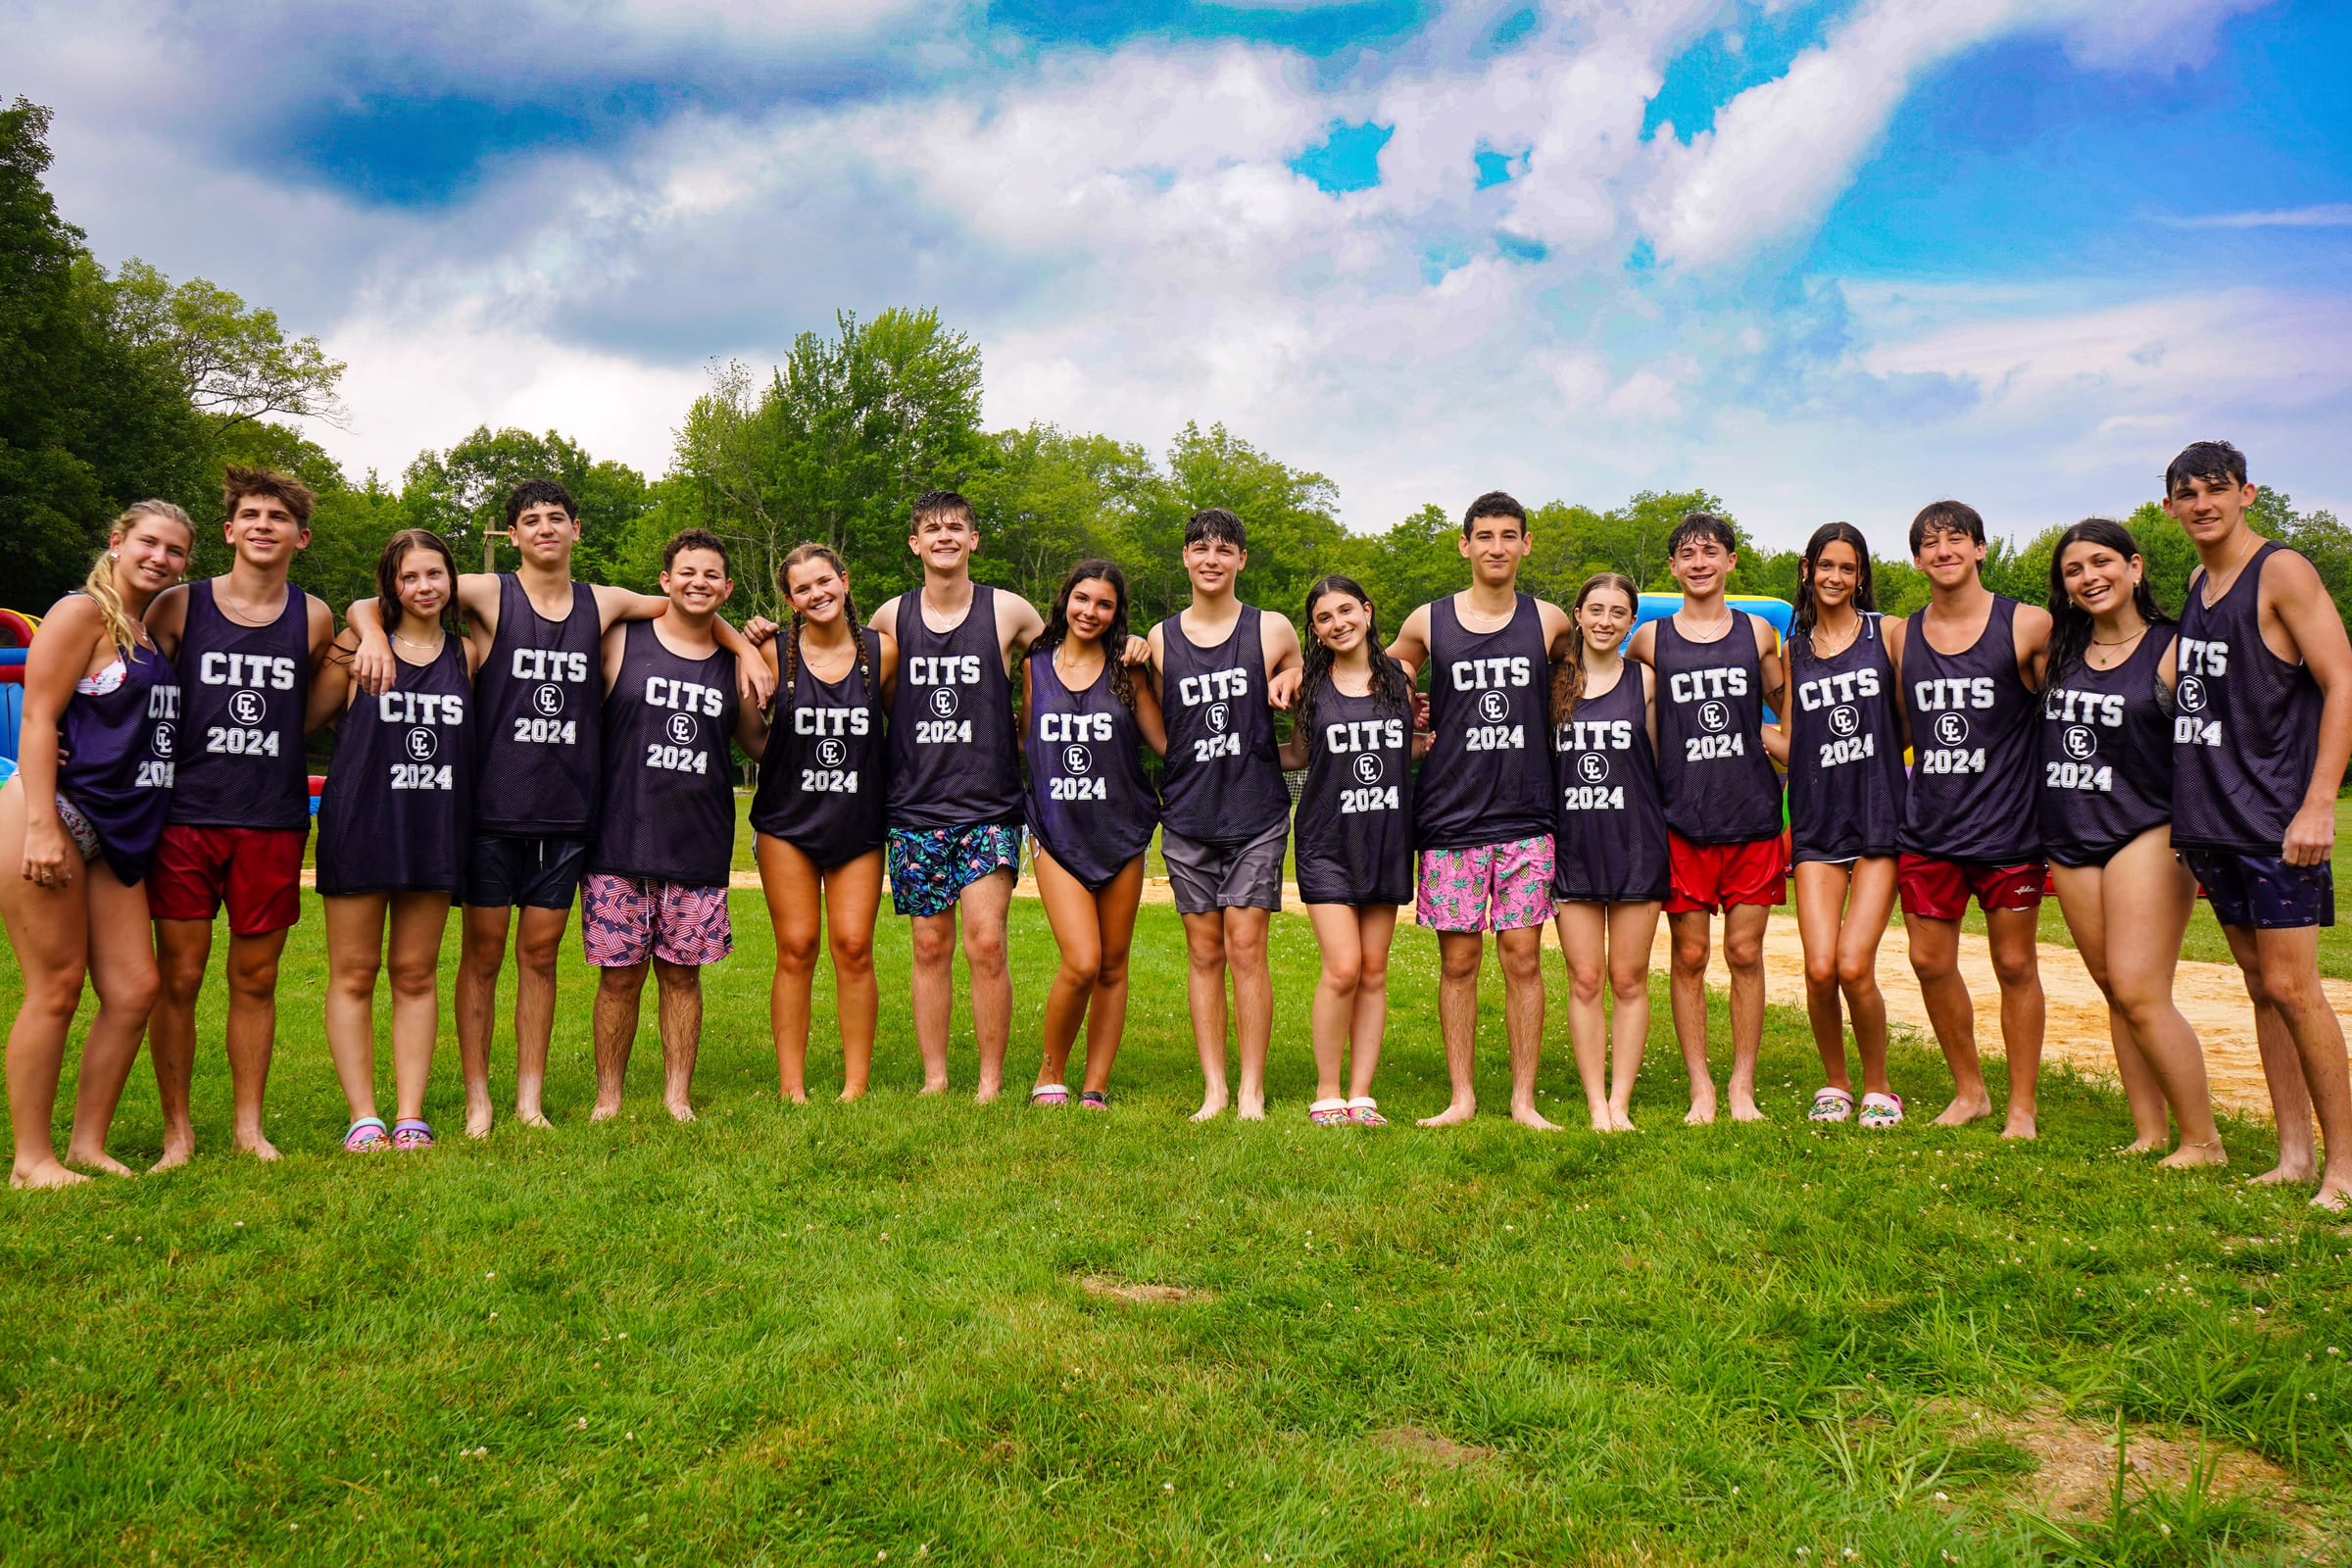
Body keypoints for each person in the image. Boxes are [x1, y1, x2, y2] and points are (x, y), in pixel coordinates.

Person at [347, 479, 770, 1135]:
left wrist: (744, 647)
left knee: (539, 958)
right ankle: (480, 1099)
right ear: (512, 535)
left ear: (577, 530)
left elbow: (690, 604)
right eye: (531, 520)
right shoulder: (490, 593)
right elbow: (399, 591)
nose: (545, 527)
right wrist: (370, 633)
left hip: (569, 815)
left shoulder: (603, 603)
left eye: (557, 518)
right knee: (483, 957)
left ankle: (529, 1099)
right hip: (492, 811)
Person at [2166, 441, 2352, 1208]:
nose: (2203, 503)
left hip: (2277, 816)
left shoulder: (2282, 570)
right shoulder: (2196, 581)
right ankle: (2293, 1155)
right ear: (2170, 505)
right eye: (2187, 493)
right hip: (2214, 813)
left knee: (2294, 987)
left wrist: (2318, 804)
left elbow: (2341, 682)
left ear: (2248, 493)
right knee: (2259, 987)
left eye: (2217, 489)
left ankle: (2344, 1167)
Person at [143, 468, 338, 1165]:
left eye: (277, 518)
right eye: (250, 514)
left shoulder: (314, 617)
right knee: (181, 976)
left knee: (255, 978)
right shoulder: (176, 607)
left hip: (272, 819)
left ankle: (250, 1127)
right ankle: (178, 1131)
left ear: (300, 537)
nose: (262, 525)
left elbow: (312, 714)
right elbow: (129, 687)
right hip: (184, 819)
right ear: (228, 530)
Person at [1, 502, 190, 1187]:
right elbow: (40, 715)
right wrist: (46, 826)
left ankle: (86, 1144)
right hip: (52, 813)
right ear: (117, 542)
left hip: (119, 831)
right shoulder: (79, 613)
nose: (160, 558)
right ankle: (32, 1159)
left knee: (135, 989)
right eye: (148, 543)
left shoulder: (148, 630)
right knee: (55, 988)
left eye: (175, 551)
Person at [2038, 516, 2224, 1166]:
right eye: (2074, 571)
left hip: (2147, 829)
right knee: (2114, 987)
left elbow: (2218, 592)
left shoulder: (2174, 647)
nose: (2090, 577)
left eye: (2101, 562)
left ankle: (2204, 1141)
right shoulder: (2060, 651)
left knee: (2142, 988)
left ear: (2135, 567)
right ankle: (2149, 1133)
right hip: (2070, 831)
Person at [1388, 491, 1575, 1129]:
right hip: (1451, 819)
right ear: (1465, 545)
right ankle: (1462, 1097)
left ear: (1526, 545)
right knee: (1459, 962)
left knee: (1523, 958)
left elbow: (1580, 683)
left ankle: (1523, 1100)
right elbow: (1382, 677)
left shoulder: (1549, 622)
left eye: (1509, 535)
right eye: (1484, 535)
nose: (1496, 546)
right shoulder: (1428, 621)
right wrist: (1407, 716)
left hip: (1527, 813)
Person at [868, 490, 1047, 1102]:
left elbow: (1072, 660)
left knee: (988, 941)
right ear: (915, 544)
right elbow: (845, 674)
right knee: (928, 943)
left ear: (974, 541)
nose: (944, 536)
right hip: (916, 804)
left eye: (957, 528)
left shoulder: (1010, 612)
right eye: (932, 528)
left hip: (990, 802)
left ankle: (991, 1083)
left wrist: (1132, 651)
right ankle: (935, 1078)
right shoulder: (891, 617)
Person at [582, 530, 766, 1123]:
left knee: (683, 977)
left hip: (698, 842)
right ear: (665, 581)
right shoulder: (620, 642)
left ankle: (676, 1097)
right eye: (687, 572)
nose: (698, 583)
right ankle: (608, 1097)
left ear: (727, 587)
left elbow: (760, 746)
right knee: (619, 979)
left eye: (712, 575)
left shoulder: (732, 666)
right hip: (617, 841)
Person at [310, 530, 478, 1152]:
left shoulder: (469, 654)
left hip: (434, 830)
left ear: (451, 581)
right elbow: (307, 721)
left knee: (416, 973)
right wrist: (369, 632)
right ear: (391, 585)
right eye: (409, 577)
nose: (424, 587)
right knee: (355, 973)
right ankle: (364, 1116)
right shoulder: (354, 648)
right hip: (361, 826)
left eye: (435, 574)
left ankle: (410, 1115)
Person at [1895, 499, 2053, 1139]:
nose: (1943, 551)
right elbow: (1897, 727)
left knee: (2015, 966)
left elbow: (2070, 717)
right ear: (1916, 559)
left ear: (1981, 548)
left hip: (2008, 830)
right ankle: (1971, 1092)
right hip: (1929, 828)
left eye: (1956, 539)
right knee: (1930, 962)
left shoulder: (2029, 625)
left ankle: (2022, 1105)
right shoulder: (1902, 636)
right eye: (1929, 543)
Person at [1626, 513, 1788, 1124]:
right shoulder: (1648, 640)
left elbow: (1786, 714)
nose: (1699, 563)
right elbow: (1619, 709)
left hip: (1751, 817)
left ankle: (1742, 1083)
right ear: (1672, 567)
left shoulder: (1758, 636)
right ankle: (1702, 1087)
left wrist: (1785, 747)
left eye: (1710, 552)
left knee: (1745, 954)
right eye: (1687, 554)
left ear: (1731, 563)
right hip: (1681, 820)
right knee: (1690, 957)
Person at [1150, 507, 1304, 1122]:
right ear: (1185, 559)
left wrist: (1290, 676)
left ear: (1241, 560)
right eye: (1199, 547)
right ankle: (1214, 1088)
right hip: (1188, 815)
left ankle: (1251, 1091)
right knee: (1204, 952)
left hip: (1257, 812)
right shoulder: (1161, 639)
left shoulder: (1271, 630)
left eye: (1223, 549)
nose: (1210, 558)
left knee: (1247, 947)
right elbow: (1148, 714)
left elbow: (1303, 672)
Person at [1768, 523, 1909, 1130]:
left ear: (1861, 575)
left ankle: (1880, 1087)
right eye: (1826, 565)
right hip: (1818, 822)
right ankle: (1836, 1084)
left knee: (1854, 964)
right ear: (1807, 568)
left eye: (1847, 569)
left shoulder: (1889, 633)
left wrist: (1872, 754)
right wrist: (1730, 733)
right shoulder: (1791, 652)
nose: (1835, 577)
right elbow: (1794, 741)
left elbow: (1912, 717)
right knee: (1820, 967)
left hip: (1879, 815)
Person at [750, 544, 894, 1103]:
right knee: (797, 946)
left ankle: (855, 1085)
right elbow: (749, 731)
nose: (817, 593)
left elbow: (898, 729)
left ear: (845, 581)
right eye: (803, 588)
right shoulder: (769, 649)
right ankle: (793, 1087)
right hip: (788, 822)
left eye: (824, 581)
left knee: (854, 946)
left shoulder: (883, 652)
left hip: (857, 823)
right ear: (790, 600)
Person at [1023, 561, 1164, 1110]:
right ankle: (1049, 1073)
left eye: (1104, 604)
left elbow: (1164, 744)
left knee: (1112, 963)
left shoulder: (1127, 672)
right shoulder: (1035, 667)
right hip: (1056, 830)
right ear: (1065, 601)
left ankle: (1096, 1086)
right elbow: (1024, 746)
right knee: (1081, 959)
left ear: (1116, 613)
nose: (1091, 612)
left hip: (1121, 828)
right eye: (1082, 599)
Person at [1281, 575, 1416, 1128]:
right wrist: (1234, 755)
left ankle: (1362, 1096)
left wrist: (1428, 741)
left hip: (1386, 837)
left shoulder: (1401, 678)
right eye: (1323, 618)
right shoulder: (1311, 687)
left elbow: (1411, 744)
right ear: (1314, 631)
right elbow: (1296, 755)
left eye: (1345, 611)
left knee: (1375, 971)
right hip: (1326, 842)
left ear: (1367, 609)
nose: (1338, 624)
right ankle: (1328, 1092)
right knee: (1342, 968)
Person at [1549, 572, 1668, 1133]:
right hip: (1572, 847)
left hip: (1635, 845)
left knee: (1629, 978)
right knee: (1585, 980)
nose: (1604, 620)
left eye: (1618, 612)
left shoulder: (1644, 681)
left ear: (1631, 622)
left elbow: (1664, 763)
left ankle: (1620, 1101)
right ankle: (1595, 1102)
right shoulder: (1551, 684)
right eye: (1594, 608)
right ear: (1577, 613)